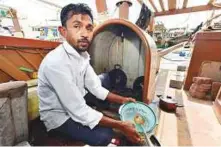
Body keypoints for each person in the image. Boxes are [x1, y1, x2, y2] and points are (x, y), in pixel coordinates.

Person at [37, 3, 141, 146]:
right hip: (59, 118)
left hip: (75, 105)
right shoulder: (56, 63)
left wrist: (123, 100)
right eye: (77, 26)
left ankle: (96, 112)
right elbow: (78, 110)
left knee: (102, 81)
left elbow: (96, 88)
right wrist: (121, 125)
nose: (85, 34)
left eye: (89, 27)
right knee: (104, 135)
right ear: (63, 31)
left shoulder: (83, 56)